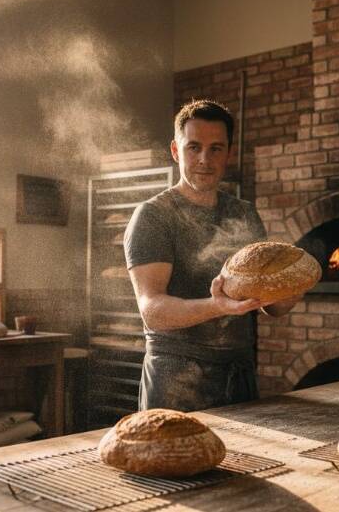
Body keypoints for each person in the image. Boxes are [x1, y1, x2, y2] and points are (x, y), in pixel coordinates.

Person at [124, 99, 303, 412]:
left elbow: (268, 306)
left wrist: (289, 291)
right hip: (177, 380)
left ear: (229, 154)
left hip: (239, 374)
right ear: (176, 151)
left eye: (216, 148)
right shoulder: (154, 216)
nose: (204, 159)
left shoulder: (243, 212)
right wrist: (216, 306)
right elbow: (152, 309)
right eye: (194, 147)